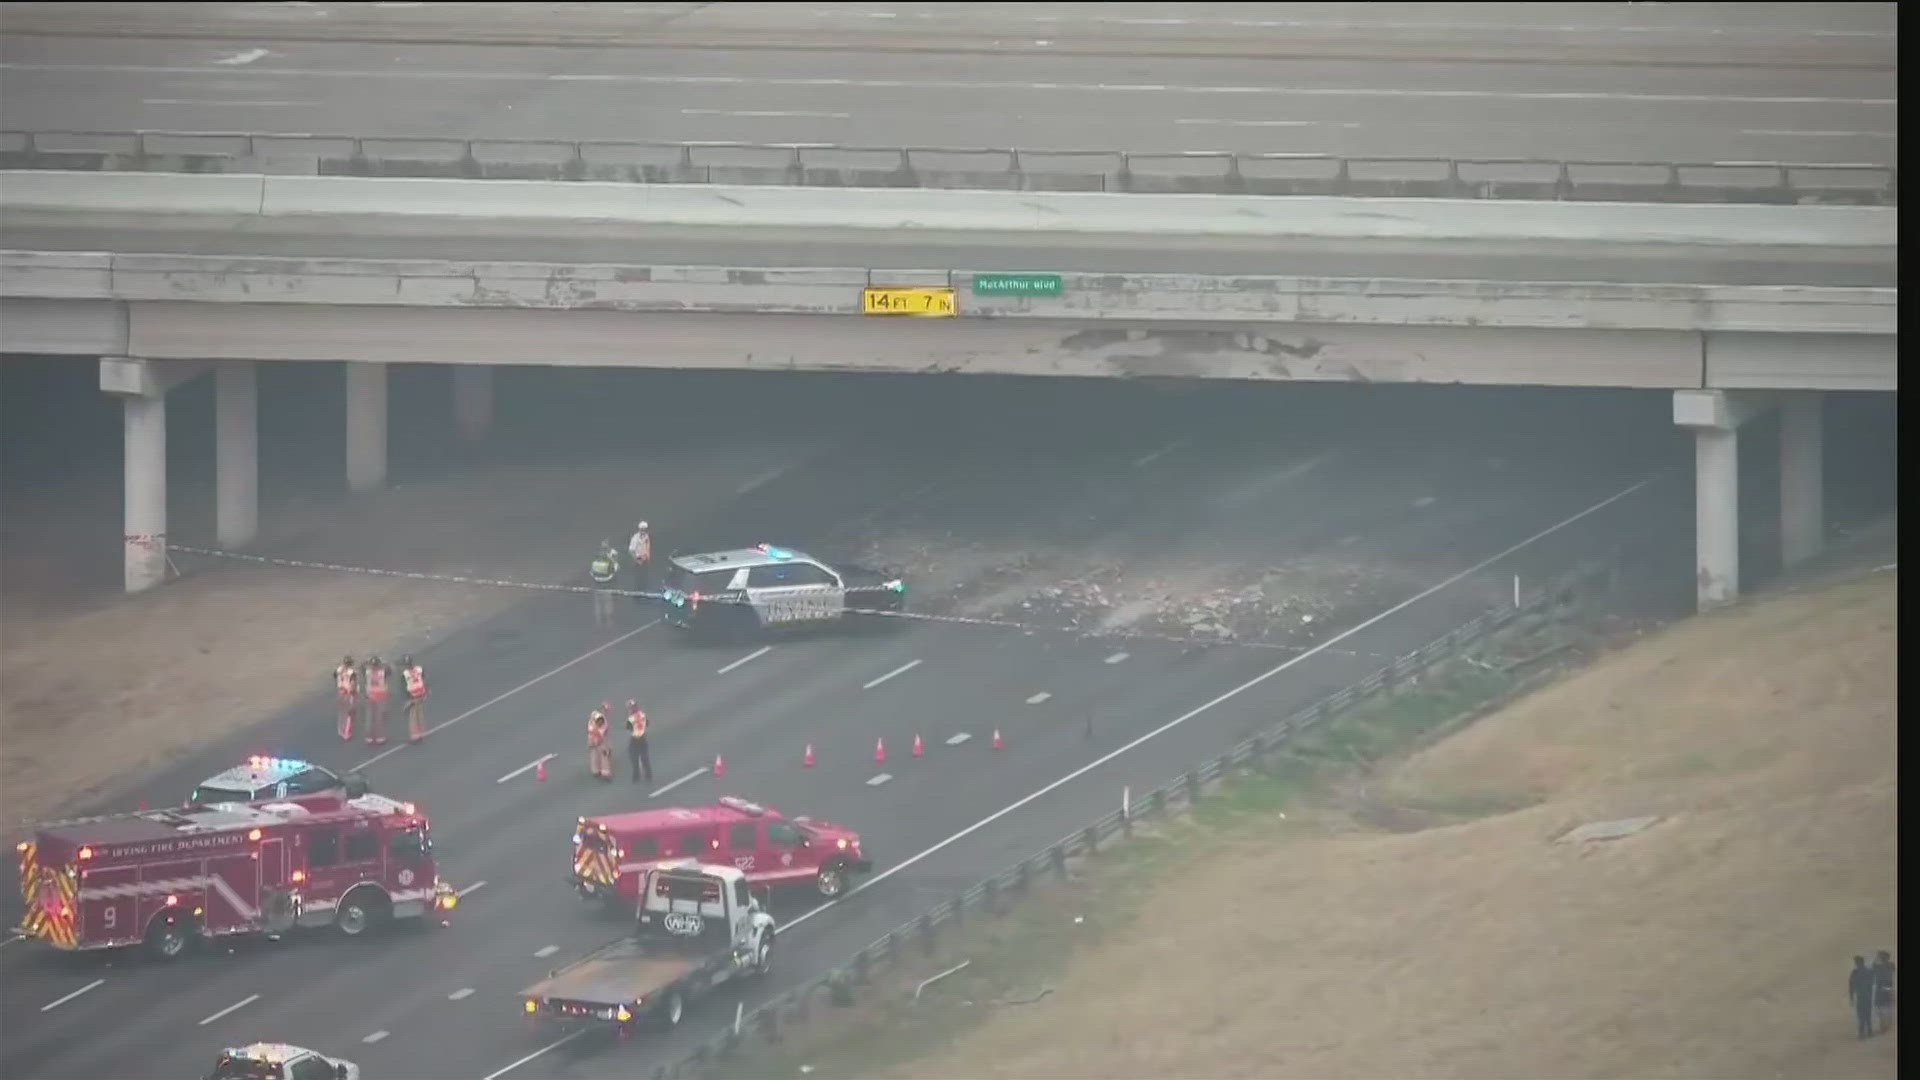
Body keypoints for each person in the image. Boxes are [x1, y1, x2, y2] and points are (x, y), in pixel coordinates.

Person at [589, 540, 620, 627]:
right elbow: (613, 572)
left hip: (597, 585)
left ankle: (598, 620)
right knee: (607, 603)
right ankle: (609, 621)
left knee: (598, 603)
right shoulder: (609, 562)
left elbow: (591, 573)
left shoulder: (594, 563)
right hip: (607, 584)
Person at [362, 654, 391, 745]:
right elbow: (390, 669)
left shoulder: (367, 672)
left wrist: (367, 661)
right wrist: (384, 662)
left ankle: (369, 737)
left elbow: (361, 666)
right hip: (380, 696)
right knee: (379, 718)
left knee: (369, 717)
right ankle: (380, 737)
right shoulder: (383, 672)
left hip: (370, 696)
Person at [400, 654, 428, 743]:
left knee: (413, 716)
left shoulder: (405, 673)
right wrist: (426, 691)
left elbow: (404, 686)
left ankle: (415, 735)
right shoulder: (419, 669)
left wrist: (407, 699)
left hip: (413, 696)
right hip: (421, 693)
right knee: (420, 713)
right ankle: (421, 732)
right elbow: (424, 679)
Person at [626, 699, 653, 785]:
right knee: (643, 757)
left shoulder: (631, 717)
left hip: (636, 739)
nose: (630, 709)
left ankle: (638, 776)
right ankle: (647, 775)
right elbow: (648, 723)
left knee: (635, 757)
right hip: (642, 738)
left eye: (631, 707)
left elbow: (629, 727)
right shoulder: (642, 715)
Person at [334, 655, 360, 742]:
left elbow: (335, 677)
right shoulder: (351, 672)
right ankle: (347, 733)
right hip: (348, 693)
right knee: (350, 713)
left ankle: (341, 731)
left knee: (342, 712)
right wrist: (354, 692)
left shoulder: (338, 669)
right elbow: (352, 684)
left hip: (340, 691)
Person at [1851, 955, 1877, 1039]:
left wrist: (1851, 996)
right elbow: (1851, 985)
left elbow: (1851, 985)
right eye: (1856, 962)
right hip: (1865, 996)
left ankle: (1863, 1033)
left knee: (1863, 1015)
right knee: (1866, 1014)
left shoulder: (1856, 972)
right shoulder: (1867, 971)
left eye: (1857, 962)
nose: (1857, 963)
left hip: (1863, 996)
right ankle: (1868, 1031)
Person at [627, 520, 652, 604]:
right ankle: (637, 597)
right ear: (639, 529)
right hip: (638, 560)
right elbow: (631, 551)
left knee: (644, 578)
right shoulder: (635, 538)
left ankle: (643, 594)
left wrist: (647, 558)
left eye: (645, 529)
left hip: (645, 560)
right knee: (638, 579)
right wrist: (636, 561)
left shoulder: (646, 537)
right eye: (642, 529)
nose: (643, 531)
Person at [1873, 950, 1897, 1034]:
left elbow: (1874, 965)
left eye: (1883, 957)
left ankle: (1885, 1025)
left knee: (1885, 1006)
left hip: (1885, 987)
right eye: (1881, 957)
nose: (1882, 958)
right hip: (1884, 987)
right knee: (1883, 1006)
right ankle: (1884, 1025)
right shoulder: (1889, 965)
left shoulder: (1889, 965)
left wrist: (1877, 957)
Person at [586, 705, 612, 781]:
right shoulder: (591, 724)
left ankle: (605, 773)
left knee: (604, 756)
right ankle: (595, 770)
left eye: (601, 721)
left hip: (601, 742)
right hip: (592, 742)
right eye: (598, 721)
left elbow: (600, 735)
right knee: (594, 756)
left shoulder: (604, 726)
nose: (600, 722)